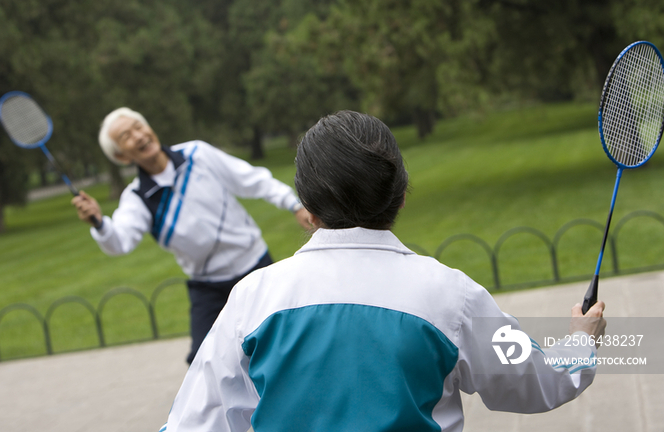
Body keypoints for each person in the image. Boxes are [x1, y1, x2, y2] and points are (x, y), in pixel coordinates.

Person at [162, 110, 607, 432]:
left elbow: (194, 422)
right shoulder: (452, 295)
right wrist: (581, 340)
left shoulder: (253, 298)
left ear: (309, 211)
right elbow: (538, 380)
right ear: (401, 196)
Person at [71, 107, 310, 363]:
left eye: (138, 127)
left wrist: (294, 204)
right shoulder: (137, 197)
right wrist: (98, 222)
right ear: (121, 156)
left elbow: (252, 179)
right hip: (208, 286)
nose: (138, 136)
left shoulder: (197, 153)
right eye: (126, 136)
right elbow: (119, 242)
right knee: (202, 362)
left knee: (282, 344)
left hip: (255, 266)